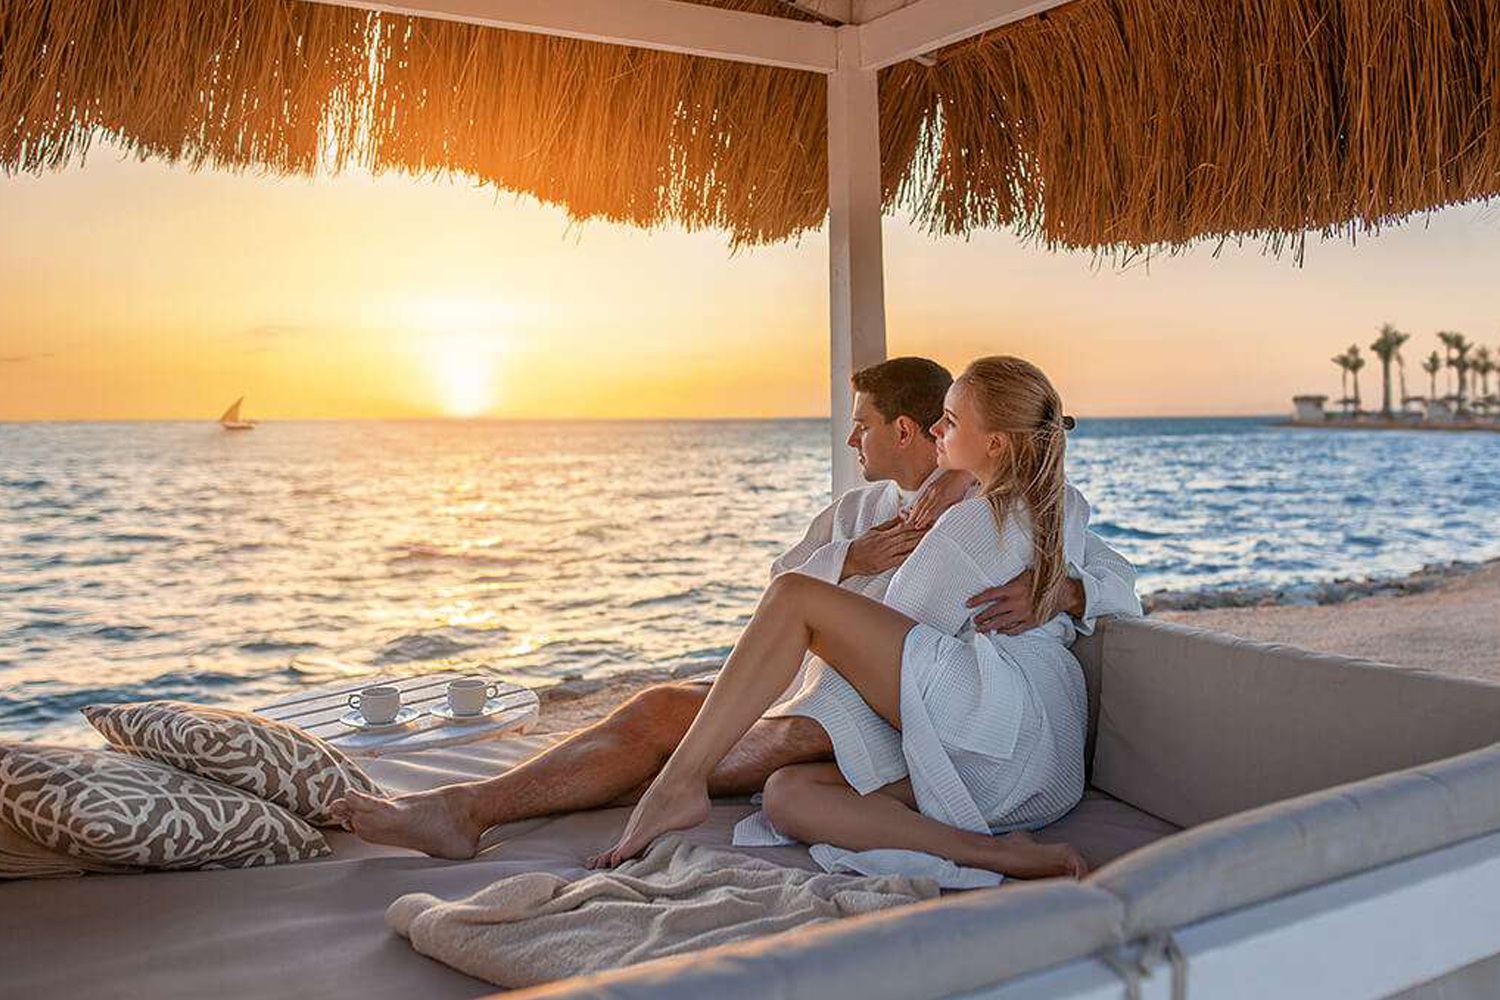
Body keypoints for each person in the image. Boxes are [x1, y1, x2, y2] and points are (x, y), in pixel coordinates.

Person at [335, 358, 1138, 876]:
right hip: (880, 703)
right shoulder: (867, 508)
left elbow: (1103, 580)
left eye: (865, 424)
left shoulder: (1008, 511)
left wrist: (1062, 593)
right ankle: (473, 808)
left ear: (939, 435)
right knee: (706, 738)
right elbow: (785, 584)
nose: (855, 437)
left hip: (914, 713)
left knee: (697, 728)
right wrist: (854, 560)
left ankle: (489, 809)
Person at [586, 357, 1097, 875]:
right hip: (1038, 770)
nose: (936, 430)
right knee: (788, 794)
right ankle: (999, 853)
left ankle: (678, 782)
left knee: (794, 596)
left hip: (1002, 734)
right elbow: (1117, 582)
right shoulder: (1057, 502)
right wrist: (1063, 591)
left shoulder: (972, 523)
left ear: (995, 444)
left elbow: (893, 633)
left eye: (951, 422)